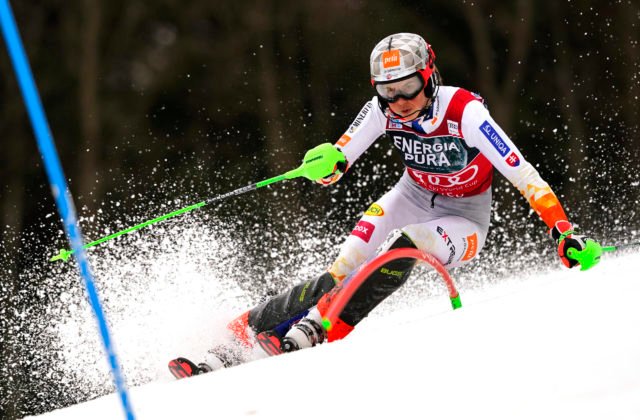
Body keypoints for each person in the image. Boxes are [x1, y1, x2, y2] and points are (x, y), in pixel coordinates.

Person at [169, 32, 601, 378]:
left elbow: (523, 173)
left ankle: (319, 327)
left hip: (464, 219)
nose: (398, 102)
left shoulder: (465, 112)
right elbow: (341, 157)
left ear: (429, 77)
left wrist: (562, 230)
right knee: (340, 267)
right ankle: (235, 338)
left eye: (409, 88)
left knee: (406, 243)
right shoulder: (383, 110)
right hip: (410, 196)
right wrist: (327, 164)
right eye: (386, 92)